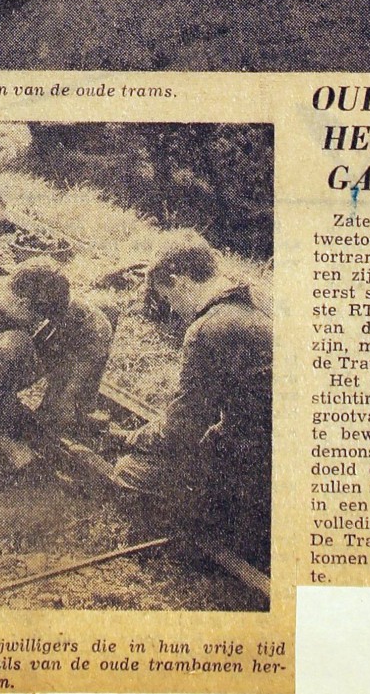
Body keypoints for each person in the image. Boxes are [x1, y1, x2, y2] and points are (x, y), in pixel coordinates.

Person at [112, 231, 272, 570]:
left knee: (131, 471)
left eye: (169, 299)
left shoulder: (206, 329)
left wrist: (132, 438)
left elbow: (181, 428)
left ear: (179, 280)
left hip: (259, 466)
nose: (175, 311)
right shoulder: (259, 298)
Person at [0, 258, 114, 467]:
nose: (40, 325)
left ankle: (63, 414)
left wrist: (68, 399)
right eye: (40, 319)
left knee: (97, 318)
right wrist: (10, 447)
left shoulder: (22, 289)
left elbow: (80, 318)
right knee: (14, 344)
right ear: (24, 305)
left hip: (6, 363)